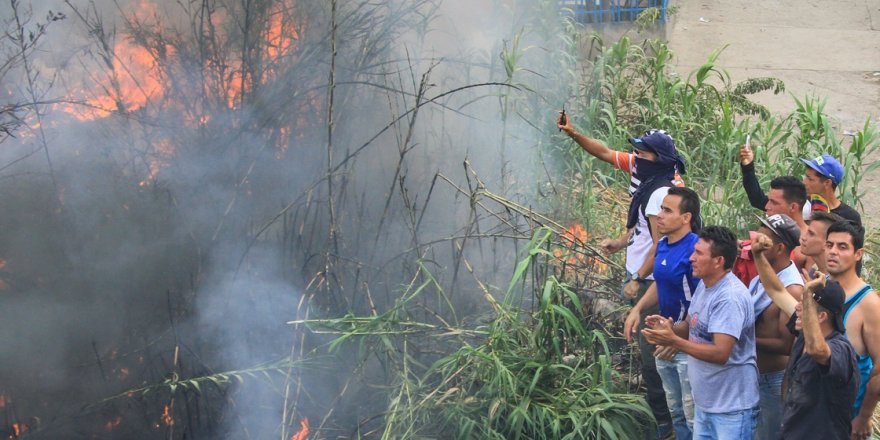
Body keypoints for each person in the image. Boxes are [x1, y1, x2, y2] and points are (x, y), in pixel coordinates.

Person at [558, 114, 686, 437]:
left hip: (652, 282)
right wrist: (573, 132)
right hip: (643, 276)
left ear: (659, 160)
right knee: (647, 349)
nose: (636, 156)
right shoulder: (643, 174)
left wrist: (637, 278)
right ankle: (666, 417)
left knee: (654, 356)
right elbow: (602, 152)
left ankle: (666, 426)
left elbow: (661, 248)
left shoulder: (663, 194)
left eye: (643, 152)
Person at [753, 220, 880, 439]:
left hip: (843, 423)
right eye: (829, 245)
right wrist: (758, 255)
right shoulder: (821, 289)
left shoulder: (868, 304)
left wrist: (864, 416)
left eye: (842, 247)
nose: (833, 252)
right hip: (803, 418)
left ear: (858, 254)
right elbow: (776, 290)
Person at [642, 226, 759, 439]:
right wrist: (668, 329)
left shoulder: (729, 297)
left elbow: (720, 353)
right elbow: (689, 326)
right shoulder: (705, 286)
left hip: (731, 410)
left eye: (699, 253)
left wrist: (674, 341)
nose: (691, 258)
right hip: (705, 405)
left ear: (718, 261)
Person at [624, 187, 701, 440]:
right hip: (666, 341)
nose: (659, 216)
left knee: (693, 416)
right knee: (676, 411)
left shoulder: (696, 251)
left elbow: (702, 304)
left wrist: (679, 339)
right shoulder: (665, 245)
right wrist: (638, 308)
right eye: (660, 209)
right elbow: (661, 282)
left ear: (686, 217)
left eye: (667, 210)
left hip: (687, 346)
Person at [779, 272, 859, 439]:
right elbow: (775, 290)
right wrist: (759, 255)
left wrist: (808, 293)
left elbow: (817, 350)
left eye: (805, 304)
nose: (797, 307)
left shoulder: (841, 349)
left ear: (821, 317)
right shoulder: (803, 336)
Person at [748, 214, 804, 440]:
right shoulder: (762, 275)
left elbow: (787, 344)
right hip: (755, 374)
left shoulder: (792, 288)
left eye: (762, 239)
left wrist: (742, 339)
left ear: (780, 248)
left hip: (773, 380)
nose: (754, 242)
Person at [801, 155, 861, 225]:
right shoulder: (801, 205)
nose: (804, 182)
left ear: (827, 183)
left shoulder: (850, 217)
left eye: (810, 179)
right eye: (806, 177)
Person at [797, 211, 843, 275]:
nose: (803, 238)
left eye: (811, 234)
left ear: (827, 243)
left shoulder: (836, 279)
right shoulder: (815, 269)